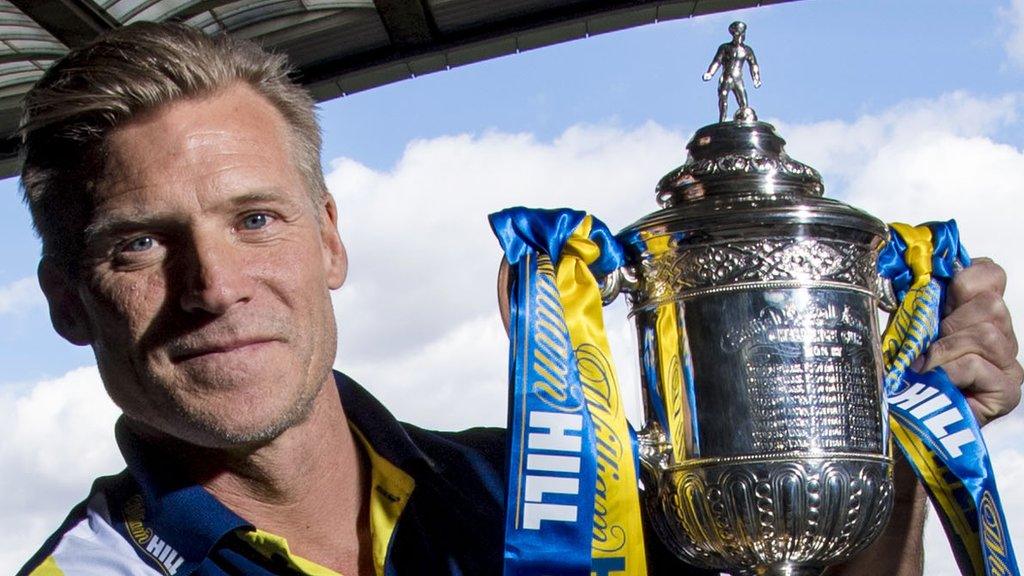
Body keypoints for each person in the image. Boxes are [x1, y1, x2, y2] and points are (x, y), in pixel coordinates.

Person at [15, 21, 1022, 576]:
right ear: (68, 299)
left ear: (328, 239)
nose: (215, 288)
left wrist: (884, 443)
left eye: (255, 219)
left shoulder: (556, 495)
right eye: (139, 245)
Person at [703, 21, 762, 123]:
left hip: (738, 79)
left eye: (742, 33)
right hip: (726, 77)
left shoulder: (747, 50)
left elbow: (753, 65)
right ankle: (722, 121)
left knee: (744, 103)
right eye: (738, 33)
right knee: (723, 98)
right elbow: (717, 61)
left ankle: (744, 122)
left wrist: (756, 78)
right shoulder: (725, 47)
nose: (740, 35)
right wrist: (710, 73)